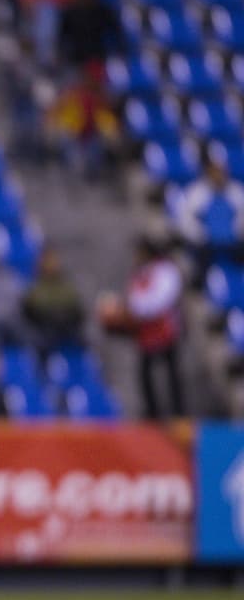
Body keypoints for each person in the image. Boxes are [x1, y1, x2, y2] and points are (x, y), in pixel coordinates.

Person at [101, 238, 185, 419]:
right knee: (145, 375)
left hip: (165, 331)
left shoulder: (165, 270)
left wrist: (134, 310)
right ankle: (152, 415)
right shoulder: (138, 274)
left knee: (171, 374)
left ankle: (179, 414)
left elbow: (161, 300)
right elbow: (133, 299)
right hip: (145, 334)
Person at [177, 155, 244, 285]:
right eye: (215, 172)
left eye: (221, 172)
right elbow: (185, 221)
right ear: (208, 173)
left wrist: (233, 234)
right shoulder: (195, 193)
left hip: (234, 245)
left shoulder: (237, 191)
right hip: (205, 246)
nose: (218, 176)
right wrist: (204, 235)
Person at [21, 246, 85, 356]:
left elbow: (77, 310)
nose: (51, 264)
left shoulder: (67, 286)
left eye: (53, 260)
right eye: (48, 260)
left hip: (67, 328)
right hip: (43, 331)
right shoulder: (34, 286)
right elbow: (32, 310)